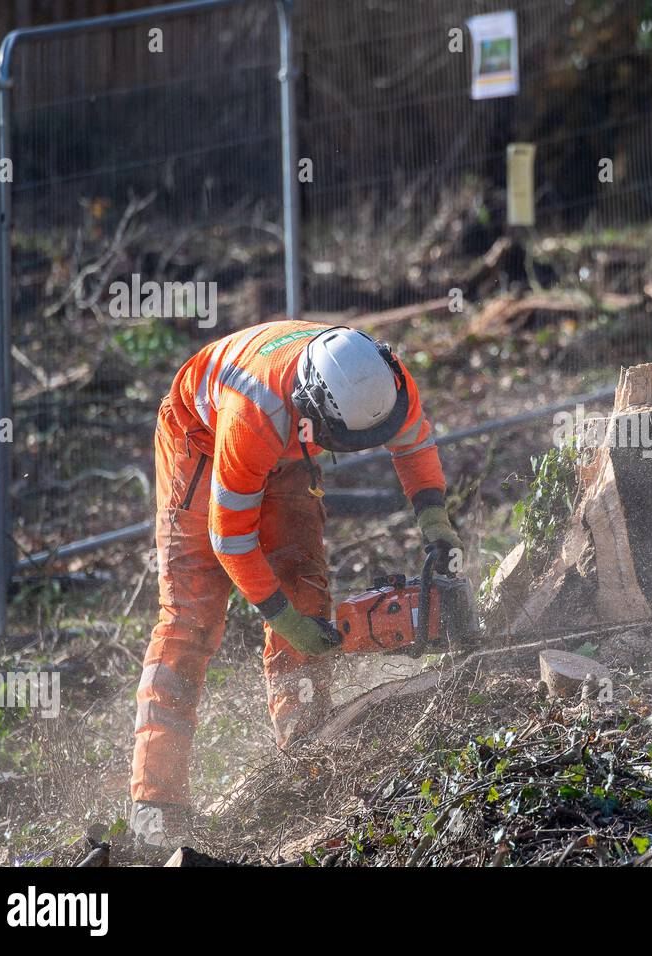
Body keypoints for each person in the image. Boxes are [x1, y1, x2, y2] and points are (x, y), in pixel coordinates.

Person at [128, 321, 461, 849]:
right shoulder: (253, 413)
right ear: (315, 408)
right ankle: (155, 802)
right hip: (204, 442)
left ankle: (305, 747)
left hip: (287, 450)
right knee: (192, 614)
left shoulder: (380, 380)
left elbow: (414, 439)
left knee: (305, 590)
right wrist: (280, 619)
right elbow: (229, 539)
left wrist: (434, 518)